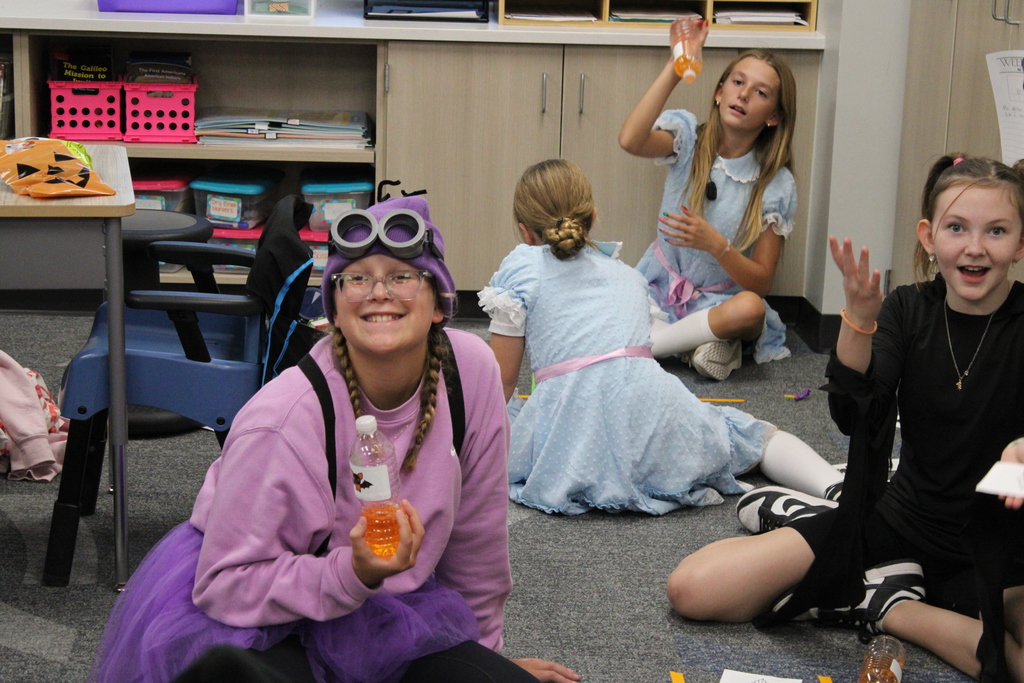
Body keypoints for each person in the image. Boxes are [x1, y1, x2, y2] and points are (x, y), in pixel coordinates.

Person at [90, 195, 579, 683]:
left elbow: (478, 551)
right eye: (357, 278)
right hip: (262, 610)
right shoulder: (282, 420)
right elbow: (224, 585)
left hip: (388, 606)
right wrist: (355, 573)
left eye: (403, 276)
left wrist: (481, 657)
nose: (378, 292)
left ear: (440, 304)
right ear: (335, 313)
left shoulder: (470, 374)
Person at [666, 154, 1024, 680]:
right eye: (957, 227)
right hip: (901, 521)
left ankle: (891, 608)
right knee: (692, 588)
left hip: (1001, 541)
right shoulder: (909, 309)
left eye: (996, 230)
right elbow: (856, 414)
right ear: (929, 236)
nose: (974, 247)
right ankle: (869, 564)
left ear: (1021, 243)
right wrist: (857, 320)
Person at [479, 158, 841, 516]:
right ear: (592, 217)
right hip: (653, 414)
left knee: (503, 405)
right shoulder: (629, 276)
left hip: (573, 436)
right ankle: (838, 487)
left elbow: (500, 385)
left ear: (526, 232)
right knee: (753, 437)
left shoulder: (522, 266)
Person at [618, 27, 798, 381]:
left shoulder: (775, 183)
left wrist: (716, 245)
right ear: (719, 92)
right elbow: (630, 140)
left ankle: (652, 345)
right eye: (736, 83)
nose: (743, 94)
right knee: (607, 292)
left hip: (719, 302)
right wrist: (675, 65)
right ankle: (693, 344)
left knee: (750, 310)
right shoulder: (688, 140)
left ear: (773, 116)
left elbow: (760, 285)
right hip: (659, 288)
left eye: (760, 92)